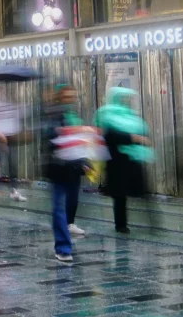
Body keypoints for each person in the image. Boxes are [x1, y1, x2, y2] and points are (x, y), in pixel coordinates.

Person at [95, 87, 151, 234]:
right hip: (116, 162)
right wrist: (134, 138)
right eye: (123, 99)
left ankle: (151, 222)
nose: (126, 102)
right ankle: (121, 225)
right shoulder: (107, 115)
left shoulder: (131, 116)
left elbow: (143, 132)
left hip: (132, 159)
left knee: (141, 192)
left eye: (128, 99)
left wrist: (139, 139)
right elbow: (110, 136)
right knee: (119, 195)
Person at [45, 84, 87, 263]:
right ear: (60, 97)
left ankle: (69, 227)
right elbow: (49, 139)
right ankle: (62, 248)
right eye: (67, 96)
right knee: (59, 208)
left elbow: (80, 141)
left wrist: (84, 161)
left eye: (72, 96)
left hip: (74, 167)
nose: (70, 99)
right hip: (58, 168)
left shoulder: (73, 116)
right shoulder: (53, 115)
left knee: (72, 202)